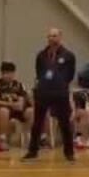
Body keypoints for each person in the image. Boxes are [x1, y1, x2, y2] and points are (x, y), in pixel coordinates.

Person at [23, 28, 76, 162]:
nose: (52, 38)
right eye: (50, 36)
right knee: (37, 123)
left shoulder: (68, 56)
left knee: (64, 123)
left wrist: (60, 84)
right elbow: (39, 73)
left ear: (60, 37)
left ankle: (69, 152)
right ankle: (32, 151)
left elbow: (70, 75)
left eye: (55, 36)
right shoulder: (42, 55)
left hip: (60, 93)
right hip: (43, 92)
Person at [0, 62, 32, 147]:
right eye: (4, 73)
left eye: (9, 73)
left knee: (30, 111)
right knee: (3, 111)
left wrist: (18, 105)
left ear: (13, 74)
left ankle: (29, 137)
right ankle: (3, 139)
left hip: (18, 110)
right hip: (5, 109)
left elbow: (21, 103)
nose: (6, 76)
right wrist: (10, 104)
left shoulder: (19, 85)